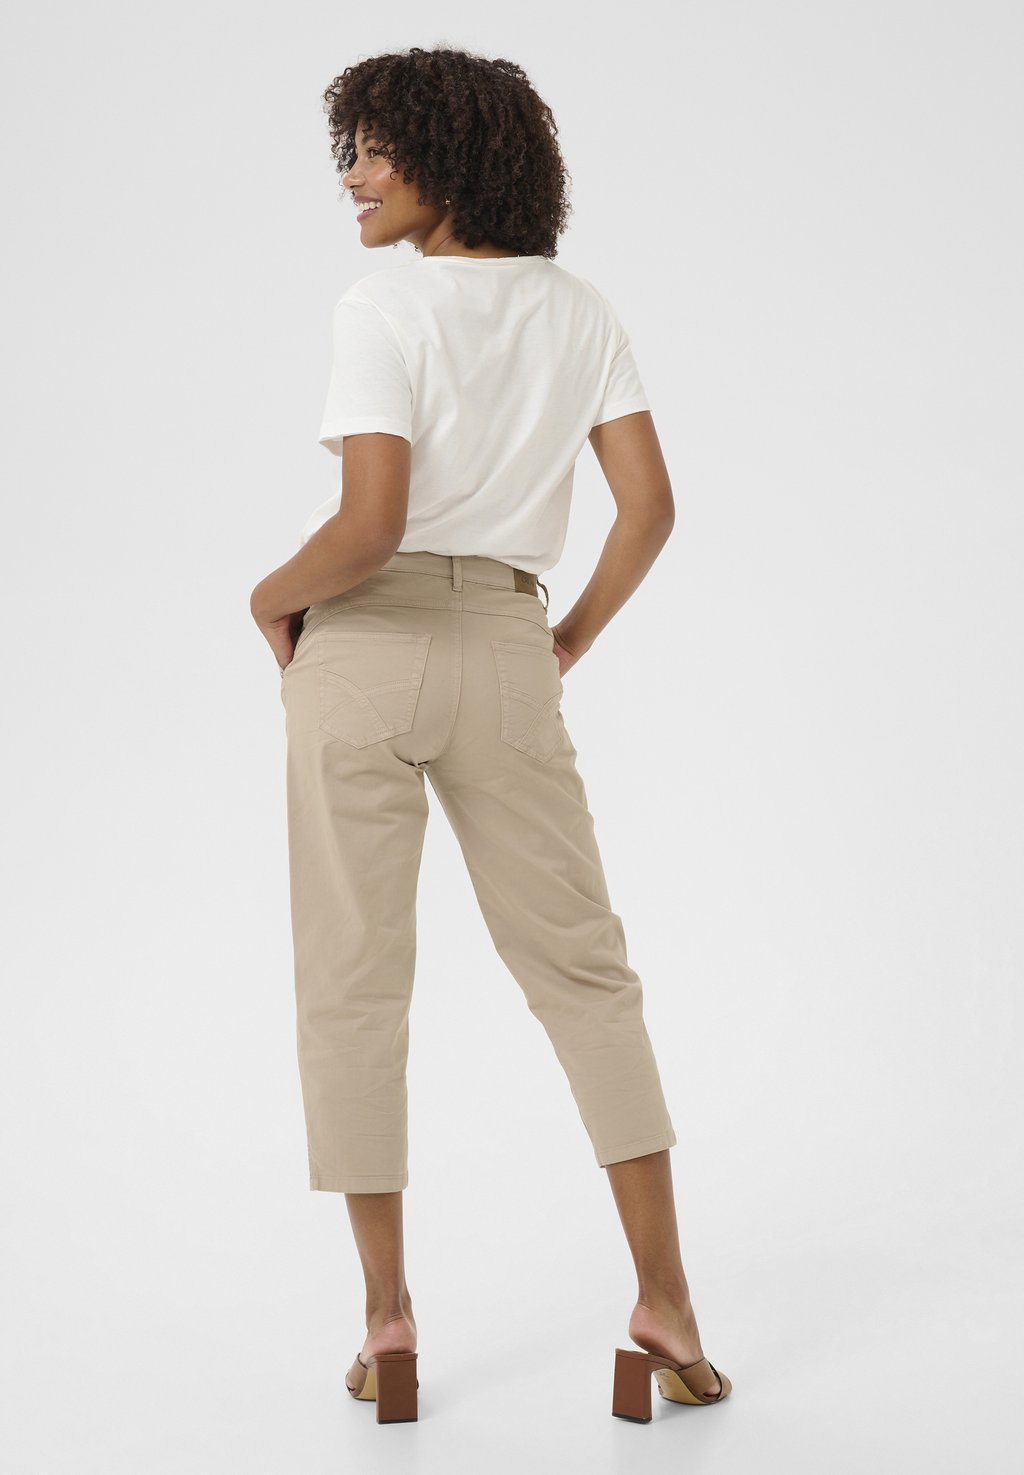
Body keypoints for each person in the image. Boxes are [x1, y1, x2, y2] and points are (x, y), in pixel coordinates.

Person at [250, 44, 732, 1425]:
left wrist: (267, 598)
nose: (354, 176)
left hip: (364, 644)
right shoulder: (581, 312)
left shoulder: (383, 308)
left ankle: (389, 1324)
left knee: (353, 982)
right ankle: (666, 1306)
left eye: (376, 149)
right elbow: (649, 508)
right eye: (350, 149)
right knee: (586, 976)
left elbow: (369, 529)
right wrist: (564, 638)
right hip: (510, 645)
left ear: (449, 158)